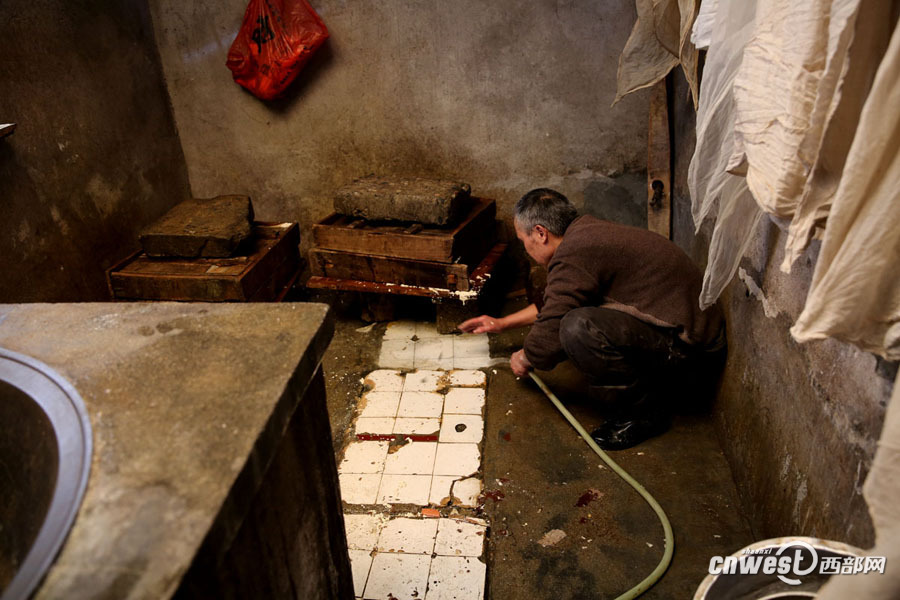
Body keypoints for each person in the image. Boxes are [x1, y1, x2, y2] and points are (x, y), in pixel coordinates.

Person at [459, 188, 726, 450]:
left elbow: (552, 327)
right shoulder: (585, 234)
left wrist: (528, 356)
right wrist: (503, 323)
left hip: (692, 352)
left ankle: (643, 415)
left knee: (578, 328)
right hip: (687, 330)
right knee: (574, 320)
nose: (525, 248)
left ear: (540, 233)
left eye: (522, 240)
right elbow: (556, 302)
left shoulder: (576, 253)